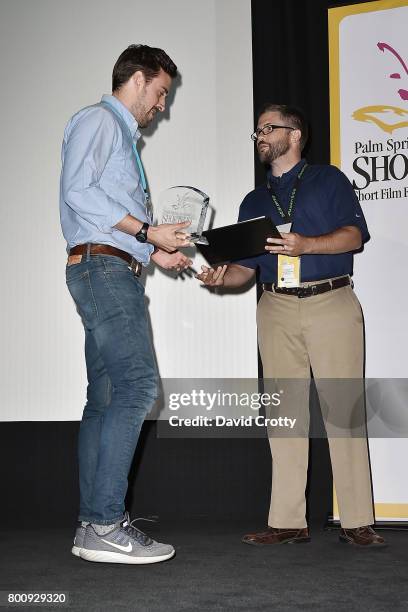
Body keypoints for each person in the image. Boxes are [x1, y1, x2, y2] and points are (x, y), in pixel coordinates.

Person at [197, 104, 386, 548]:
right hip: (275, 307)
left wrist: (305, 245)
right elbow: (246, 270)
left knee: (344, 411)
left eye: (268, 128)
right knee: (283, 414)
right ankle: (287, 521)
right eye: (257, 130)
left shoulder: (329, 179)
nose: (260, 135)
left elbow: (354, 237)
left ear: (295, 134)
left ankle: (358, 519)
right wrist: (222, 278)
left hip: (331, 299)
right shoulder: (254, 201)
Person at [60, 44, 192, 564]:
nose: (162, 106)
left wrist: (154, 248)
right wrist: (146, 229)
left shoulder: (116, 134)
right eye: (160, 93)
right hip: (104, 271)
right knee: (137, 388)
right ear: (137, 79)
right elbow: (79, 192)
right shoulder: (100, 121)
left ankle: (91, 527)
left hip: (107, 266)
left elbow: (102, 209)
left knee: (107, 399)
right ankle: (104, 523)